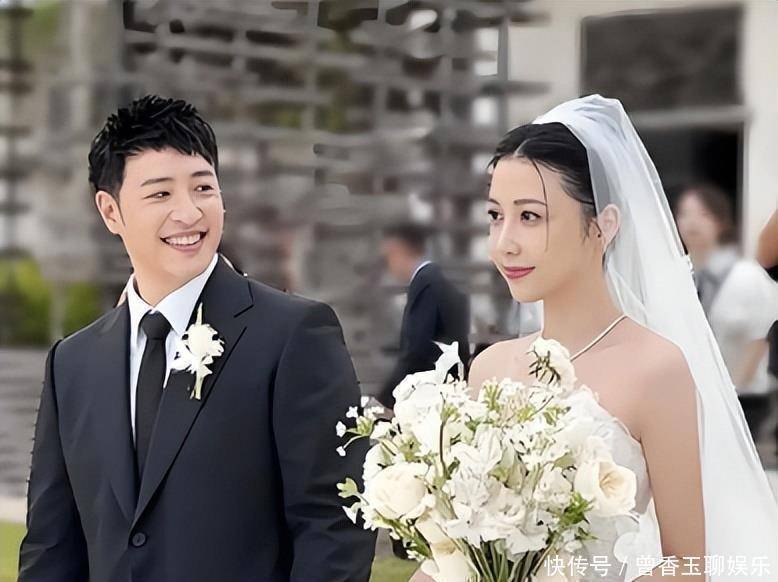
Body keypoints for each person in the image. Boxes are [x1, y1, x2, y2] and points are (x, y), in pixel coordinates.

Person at [412, 95, 777, 581]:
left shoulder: (656, 368)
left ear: (604, 225)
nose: (504, 244)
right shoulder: (490, 368)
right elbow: (455, 553)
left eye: (530, 216)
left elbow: (688, 566)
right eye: (495, 216)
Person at [18, 95, 376, 582]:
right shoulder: (72, 363)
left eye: (203, 188)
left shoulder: (294, 336)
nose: (188, 213)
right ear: (110, 211)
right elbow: (51, 546)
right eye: (160, 194)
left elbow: (334, 527)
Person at [675, 185, 778, 442]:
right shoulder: (678, 277)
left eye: (702, 214)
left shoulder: (747, 275)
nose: (692, 222)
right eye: (685, 214)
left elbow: (761, 338)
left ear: (720, 221)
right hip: (697, 400)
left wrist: (732, 393)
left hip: (743, 400)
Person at [377, 222, 470, 409]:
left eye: (388, 258)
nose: (389, 266)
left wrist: (384, 400)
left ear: (398, 251)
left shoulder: (425, 281)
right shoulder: (439, 278)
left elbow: (416, 348)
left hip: (433, 395)